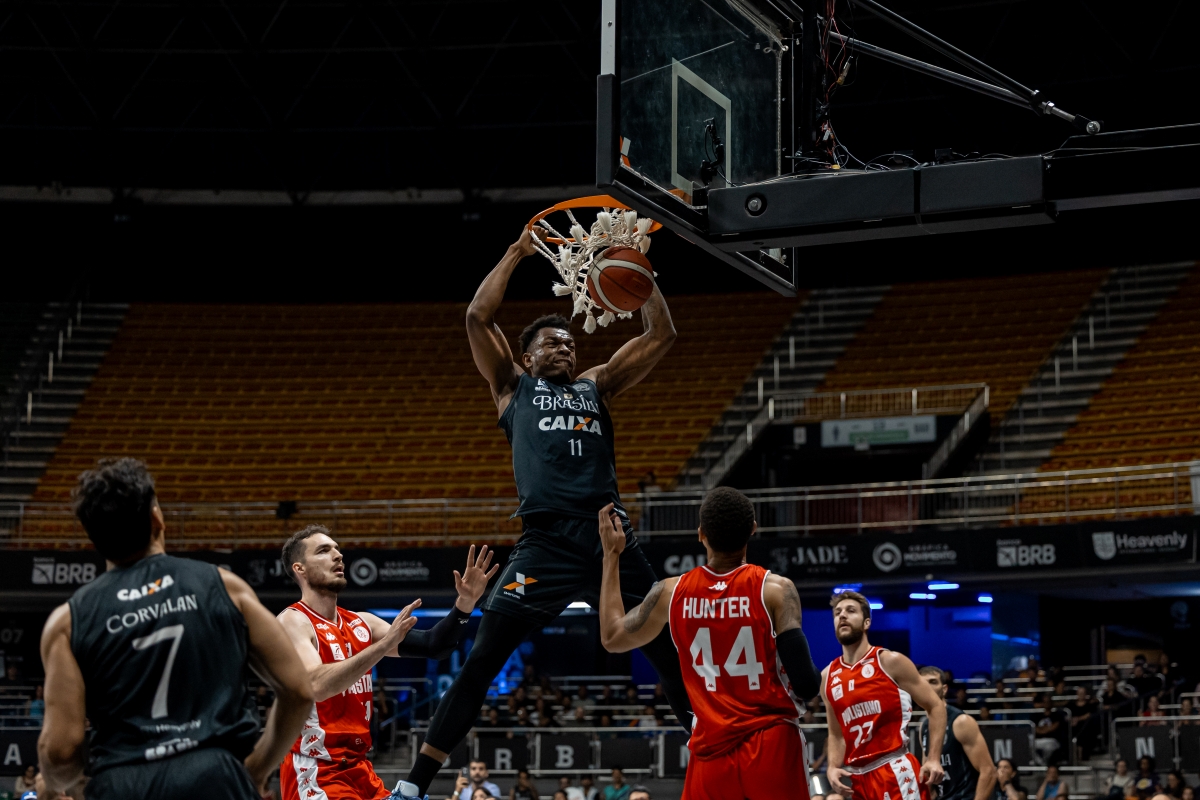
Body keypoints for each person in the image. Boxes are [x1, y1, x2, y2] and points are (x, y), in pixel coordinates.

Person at [400, 225, 691, 800]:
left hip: (610, 539)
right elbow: (476, 320)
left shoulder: (596, 386)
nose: (567, 348)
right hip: (546, 544)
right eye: (554, 343)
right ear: (528, 356)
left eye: (570, 343)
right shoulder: (513, 389)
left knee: (665, 646)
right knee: (483, 658)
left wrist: (640, 274)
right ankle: (414, 785)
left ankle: (712, 751)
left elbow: (663, 333)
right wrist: (514, 253)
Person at [38, 458, 314, 799]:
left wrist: (65, 787)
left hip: (121, 783)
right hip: (215, 775)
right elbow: (299, 690)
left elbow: (60, 753)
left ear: (93, 536)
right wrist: (257, 768)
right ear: (156, 518)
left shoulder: (66, 622)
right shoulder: (225, 587)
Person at [595, 487, 823, 800]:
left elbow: (611, 637)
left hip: (710, 748)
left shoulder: (670, 593)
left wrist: (611, 555)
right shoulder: (775, 590)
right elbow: (807, 684)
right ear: (752, 531)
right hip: (771, 740)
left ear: (701, 534)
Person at [277, 525, 497, 800]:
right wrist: (382, 645)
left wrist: (465, 603)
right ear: (300, 569)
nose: (337, 556)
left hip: (360, 769)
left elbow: (435, 646)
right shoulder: (293, 621)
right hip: (316, 770)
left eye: (337, 549)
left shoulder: (362, 623)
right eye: (323, 551)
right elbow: (316, 685)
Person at [823, 591, 947, 800]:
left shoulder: (889, 661)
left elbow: (936, 706)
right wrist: (833, 766)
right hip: (859, 778)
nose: (842, 616)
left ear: (866, 623)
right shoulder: (828, 676)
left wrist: (934, 758)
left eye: (850, 611)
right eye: (837, 613)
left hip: (894, 769)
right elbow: (835, 733)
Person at [918, 666, 997, 800]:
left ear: (944, 689)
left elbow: (989, 771)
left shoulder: (961, 721)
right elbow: (928, 777)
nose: (927, 687)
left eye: (933, 682)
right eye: (923, 683)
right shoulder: (923, 726)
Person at [1032, 696, 1068, 765]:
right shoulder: (1036, 715)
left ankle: (1046, 764)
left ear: (1051, 703)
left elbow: (1054, 727)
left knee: (1049, 747)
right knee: (1029, 745)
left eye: (1048, 702)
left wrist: (1043, 729)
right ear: (1042, 703)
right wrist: (1047, 728)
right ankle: (1042, 764)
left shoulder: (1057, 715)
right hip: (1039, 740)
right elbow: (1036, 729)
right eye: (1045, 702)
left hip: (1052, 740)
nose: (1047, 704)